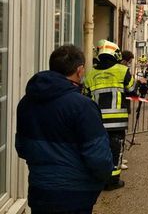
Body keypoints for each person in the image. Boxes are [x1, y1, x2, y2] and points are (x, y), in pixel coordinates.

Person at [15, 45, 113, 214]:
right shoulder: (82, 106)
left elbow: (22, 148)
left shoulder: (26, 103)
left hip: (40, 191)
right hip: (75, 195)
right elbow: (100, 159)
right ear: (80, 70)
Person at [84, 40, 136, 190]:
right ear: (116, 54)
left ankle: (99, 179)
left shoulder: (91, 74)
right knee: (116, 151)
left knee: (100, 150)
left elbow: (86, 96)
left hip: (98, 122)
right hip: (117, 122)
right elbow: (132, 89)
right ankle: (113, 182)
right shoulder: (122, 70)